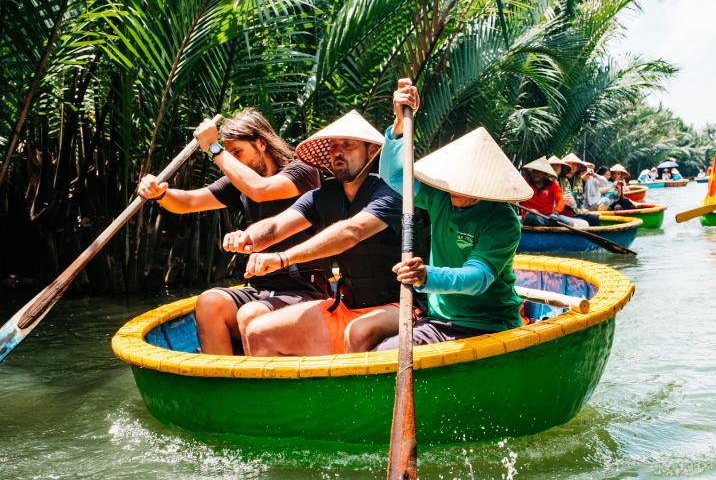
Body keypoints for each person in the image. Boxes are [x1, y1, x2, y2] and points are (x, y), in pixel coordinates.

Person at [355, 78, 531, 352]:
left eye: (466, 183)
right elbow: (394, 176)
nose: (455, 189)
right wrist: (399, 125)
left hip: (489, 324)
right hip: (439, 320)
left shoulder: (502, 220)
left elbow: (478, 278)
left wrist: (427, 276)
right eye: (453, 179)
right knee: (383, 354)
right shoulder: (440, 195)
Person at [136, 109, 329, 355]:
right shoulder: (240, 182)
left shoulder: (302, 172)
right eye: (230, 154)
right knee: (209, 303)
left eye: (237, 152)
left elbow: (261, 189)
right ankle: (221, 388)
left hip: (305, 292)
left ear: (260, 143)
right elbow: (188, 203)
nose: (233, 161)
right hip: (261, 289)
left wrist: (215, 149)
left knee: (252, 315)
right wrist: (159, 193)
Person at [221, 110, 405, 356]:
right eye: (333, 146)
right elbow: (275, 227)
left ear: (371, 151)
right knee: (258, 331)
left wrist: (283, 258)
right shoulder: (323, 195)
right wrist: (248, 237)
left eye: (348, 145)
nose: (338, 152)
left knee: (359, 332)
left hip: (401, 305)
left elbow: (351, 232)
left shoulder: (390, 193)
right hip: (346, 305)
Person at [519, 158, 587, 227]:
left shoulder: (552, 184)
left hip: (548, 217)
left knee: (560, 219)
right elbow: (517, 193)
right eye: (534, 171)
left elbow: (561, 199)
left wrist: (556, 212)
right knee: (532, 213)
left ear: (545, 174)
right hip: (530, 217)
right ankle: (550, 223)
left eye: (538, 172)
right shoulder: (525, 182)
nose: (535, 174)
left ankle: (550, 223)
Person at [559, 152, 600, 226]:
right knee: (584, 223)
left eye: (574, 164)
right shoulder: (558, 178)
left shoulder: (578, 179)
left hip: (577, 211)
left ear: (578, 166)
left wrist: (582, 208)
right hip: (562, 212)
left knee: (595, 219)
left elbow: (579, 198)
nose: (572, 166)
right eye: (569, 163)